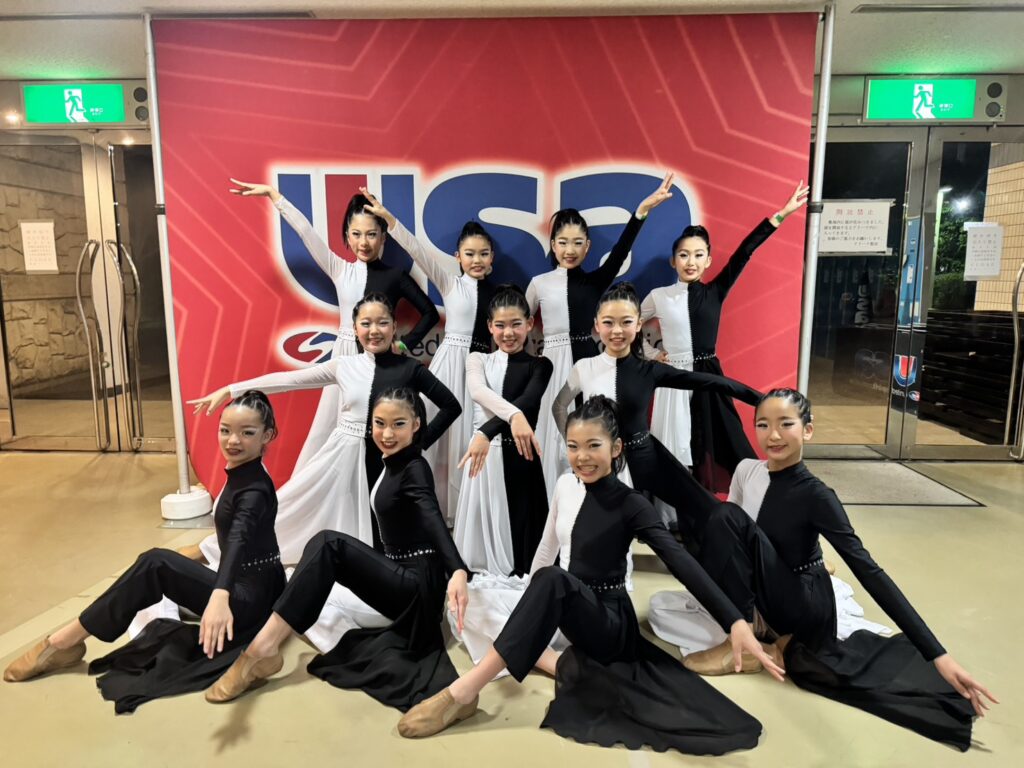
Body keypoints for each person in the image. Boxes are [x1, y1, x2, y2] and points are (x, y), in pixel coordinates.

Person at [397, 396, 782, 755]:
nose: (582, 457)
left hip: (608, 623)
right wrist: (528, 607)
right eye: (573, 446)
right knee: (483, 599)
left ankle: (463, 694)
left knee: (550, 583)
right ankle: (554, 659)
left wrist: (734, 621)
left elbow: (681, 562)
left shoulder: (631, 504)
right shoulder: (565, 485)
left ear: (616, 448)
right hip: (567, 607)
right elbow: (546, 549)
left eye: (593, 446)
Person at [685, 388, 997, 750]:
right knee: (718, 524)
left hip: (804, 607)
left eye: (786, 424)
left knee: (726, 516)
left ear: (807, 430)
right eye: (763, 425)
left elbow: (869, 571)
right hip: (775, 586)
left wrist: (937, 654)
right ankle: (753, 630)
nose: (773, 435)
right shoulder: (749, 472)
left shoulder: (817, 495)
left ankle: (747, 644)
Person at [4, 391, 286, 713]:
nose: (233, 440)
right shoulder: (246, 472)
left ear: (267, 436)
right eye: (225, 430)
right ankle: (66, 641)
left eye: (247, 433)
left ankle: (62, 642)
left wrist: (220, 596)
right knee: (156, 563)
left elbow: (238, 538)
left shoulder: (252, 489)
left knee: (155, 563)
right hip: (259, 584)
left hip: (248, 599)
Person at [204, 388, 471, 712]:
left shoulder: (414, 467)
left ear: (416, 425)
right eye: (379, 423)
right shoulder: (393, 461)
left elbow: (432, 517)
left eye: (398, 424)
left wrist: (457, 569)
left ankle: (262, 649)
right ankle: (265, 646)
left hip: (417, 587)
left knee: (328, 543)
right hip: (401, 572)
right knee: (322, 549)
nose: (387, 434)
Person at [188, 293, 460, 566]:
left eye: (382, 323)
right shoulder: (344, 366)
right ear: (355, 328)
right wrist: (231, 390)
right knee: (297, 506)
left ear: (394, 326)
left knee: (391, 524)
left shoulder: (411, 369)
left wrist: (418, 444)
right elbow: (289, 380)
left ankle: (394, 572)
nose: (374, 331)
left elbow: (451, 406)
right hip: (344, 457)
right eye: (366, 323)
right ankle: (231, 548)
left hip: (391, 461)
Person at [228, 179, 439, 472]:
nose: (363, 242)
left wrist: (402, 344)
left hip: (382, 362)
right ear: (347, 237)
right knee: (332, 429)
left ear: (383, 237)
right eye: (356, 234)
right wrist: (275, 196)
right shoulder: (340, 269)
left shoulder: (396, 276)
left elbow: (429, 313)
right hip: (344, 356)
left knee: (381, 431)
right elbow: (306, 233)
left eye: (371, 234)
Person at [553, 282, 761, 544]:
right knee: (605, 537)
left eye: (626, 322)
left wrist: (760, 399)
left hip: (646, 457)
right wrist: (576, 445)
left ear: (639, 324)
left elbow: (710, 382)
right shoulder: (583, 368)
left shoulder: (650, 370)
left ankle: (754, 550)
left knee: (708, 511)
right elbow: (559, 406)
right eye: (608, 322)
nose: (617, 331)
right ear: (597, 325)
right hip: (603, 464)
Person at [641, 182, 808, 496]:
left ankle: (742, 499)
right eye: (683, 255)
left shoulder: (715, 291)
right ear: (673, 260)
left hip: (708, 376)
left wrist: (782, 215)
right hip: (672, 378)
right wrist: (651, 353)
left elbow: (745, 251)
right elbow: (629, 324)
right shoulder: (658, 296)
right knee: (673, 447)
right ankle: (672, 512)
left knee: (718, 441)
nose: (690, 261)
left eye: (698, 255)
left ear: (708, 260)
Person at [528, 174, 675, 498]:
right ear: (552, 244)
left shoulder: (596, 281)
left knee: (593, 431)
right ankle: (556, 504)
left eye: (577, 242)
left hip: (586, 363)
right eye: (562, 242)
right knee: (552, 433)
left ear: (588, 246)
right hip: (549, 366)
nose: (570, 249)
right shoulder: (538, 283)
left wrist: (641, 212)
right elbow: (519, 324)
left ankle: (598, 500)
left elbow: (621, 252)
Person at [361, 188, 496, 523]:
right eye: (470, 253)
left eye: (483, 253)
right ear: (458, 256)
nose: (476, 260)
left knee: (473, 438)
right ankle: (426, 510)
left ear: (492, 257)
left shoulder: (500, 295)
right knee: (434, 437)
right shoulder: (449, 284)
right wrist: (389, 220)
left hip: (483, 369)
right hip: (449, 364)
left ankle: (466, 516)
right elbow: (417, 251)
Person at [453, 284, 552, 577]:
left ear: (529, 324)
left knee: (525, 547)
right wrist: (514, 416)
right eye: (500, 325)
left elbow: (528, 400)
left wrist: (485, 431)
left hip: (521, 458)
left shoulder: (541, 365)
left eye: (516, 324)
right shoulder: (477, 359)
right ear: (489, 327)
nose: (508, 333)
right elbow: (478, 392)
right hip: (483, 458)